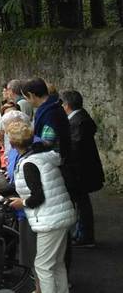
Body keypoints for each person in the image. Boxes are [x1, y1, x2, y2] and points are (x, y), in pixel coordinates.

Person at [3, 122, 76, 293]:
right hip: (60, 215)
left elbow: (37, 197)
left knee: (43, 266)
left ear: (14, 143)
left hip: (49, 219)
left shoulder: (29, 163)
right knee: (57, 265)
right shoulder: (42, 156)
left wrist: (21, 203)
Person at [59, 90, 104, 247]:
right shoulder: (81, 119)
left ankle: (85, 236)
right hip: (80, 170)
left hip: (78, 171)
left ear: (66, 105)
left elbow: (74, 148)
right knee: (81, 203)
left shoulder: (78, 122)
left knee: (82, 204)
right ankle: (81, 234)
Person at [21, 78, 70, 161]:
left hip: (53, 161)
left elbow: (48, 141)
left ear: (31, 95)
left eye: (26, 98)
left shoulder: (50, 113)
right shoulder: (55, 105)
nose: (27, 101)